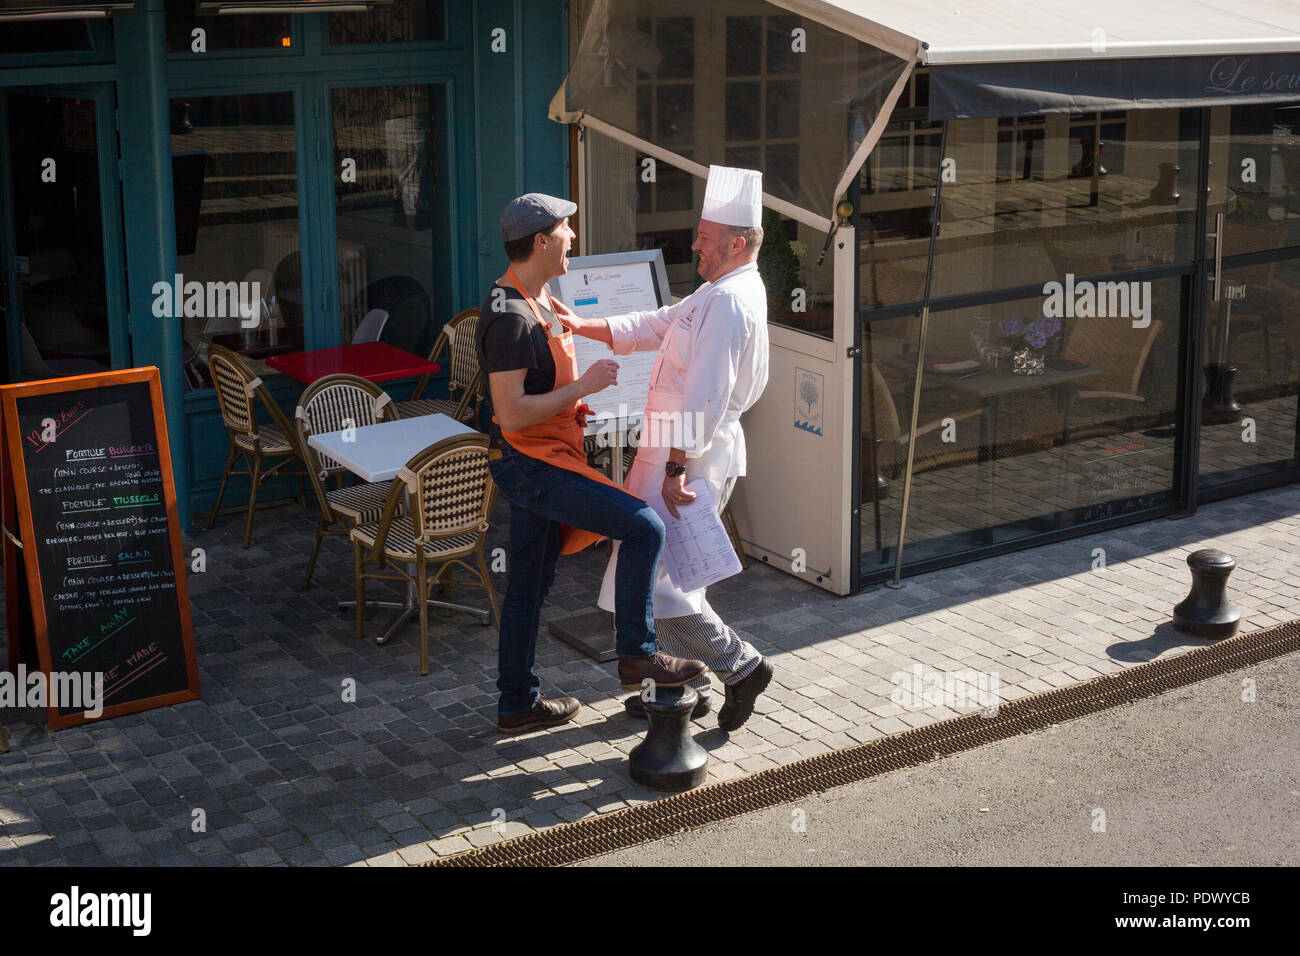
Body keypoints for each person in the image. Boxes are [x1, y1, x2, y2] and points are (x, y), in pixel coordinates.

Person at [479, 193, 707, 734]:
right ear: (540, 241)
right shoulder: (509, 317)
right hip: (530, 460)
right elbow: (511, 414)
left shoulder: (534, 301)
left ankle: (516, 704)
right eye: (565, 229)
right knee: (643, 525)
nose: (572, 238)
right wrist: (585, 386)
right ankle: (637, 653)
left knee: (528, 588)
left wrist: (580, 334)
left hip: (544, 454)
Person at [565, 166, 774, 733]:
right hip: (674, 455)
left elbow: (707, 392)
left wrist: (677, 466)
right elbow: (660, 322)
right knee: (663, 578)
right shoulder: (717, 291)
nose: (693, 244)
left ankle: (740, 666)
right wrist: (585, 326)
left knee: (661, 586)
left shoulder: (731, 301)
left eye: (704, 236)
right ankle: (680, 681)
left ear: (736, 242)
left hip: (692, 461)